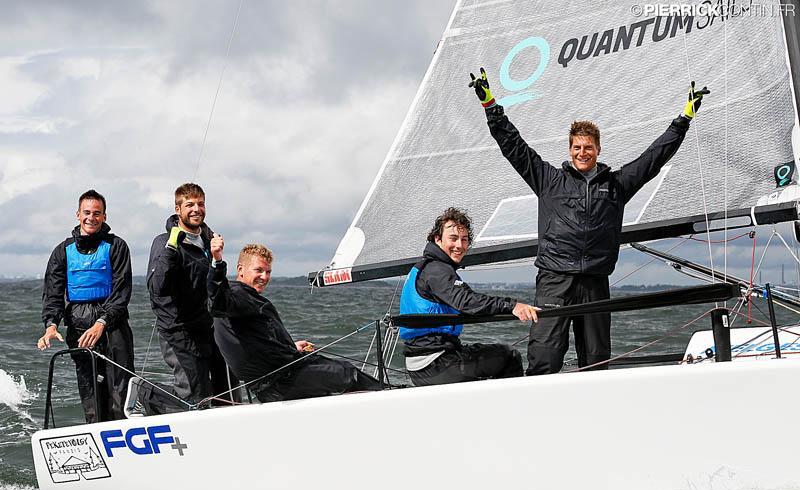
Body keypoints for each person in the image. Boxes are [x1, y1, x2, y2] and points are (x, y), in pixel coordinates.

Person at [469, 67, 709, 375]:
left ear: (598, 150)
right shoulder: (548, 180)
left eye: (589, 147)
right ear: (569, 150)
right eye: (577, 147)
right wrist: (491, 106)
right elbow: (514, 147)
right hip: (555, 280)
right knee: (545, 357)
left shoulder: (616, 185)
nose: (583, 152)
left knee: (596, 360)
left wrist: (683, 120)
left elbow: (653, 159)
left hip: (595, 281)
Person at [207, 240, 384, 402]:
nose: (264, 277)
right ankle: (389, 399)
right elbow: (217, 303)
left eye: (268, 272)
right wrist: (217, 262)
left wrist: (291, 347)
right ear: (240, 270)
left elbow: (256, 340)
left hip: (276, 379)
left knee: (334, 376)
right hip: (279, 382)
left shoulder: (245, 298)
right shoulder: (237, 295)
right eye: (258, 270)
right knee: (348, 374)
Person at [398, 207, 538, 386]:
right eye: (453, 238)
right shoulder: (437, 270)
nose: (459, 246)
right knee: (509, 356)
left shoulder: (425, 267)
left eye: (464, 240)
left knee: (487, 355)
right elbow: (467, 302)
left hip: (422, 364)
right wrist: (512, 306)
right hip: (436, 364)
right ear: (437, 239)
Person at [37, 189, 135, 423]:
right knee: (91, 390)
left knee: (119, 390)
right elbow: (53, 291)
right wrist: (51, 325)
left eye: (97, 213)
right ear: (78, 214)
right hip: (79, 325)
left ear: (104, 217)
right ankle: (96, 434)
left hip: (112, 325)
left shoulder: (117, 246)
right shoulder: (62, 251)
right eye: (87, 213)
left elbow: (122, 292)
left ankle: (123, 434)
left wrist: (102, 322)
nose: (91, 218)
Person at [146, 182, 240, 412]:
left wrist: (217, 259)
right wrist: (171, 248)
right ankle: (146, 393)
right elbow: (157, 288)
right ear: (178, 209)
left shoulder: (210, 240)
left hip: (208, 327)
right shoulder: (163, 242)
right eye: (189, 205)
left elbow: (215, 288)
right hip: (178, 331)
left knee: (228, 391)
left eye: (200, 204)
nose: (196, 209)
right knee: (197, 397)